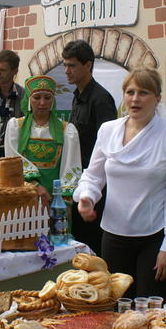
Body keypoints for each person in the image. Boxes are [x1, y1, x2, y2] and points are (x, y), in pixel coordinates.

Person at [74, 67, 166, 301]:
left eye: (144, 92)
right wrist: (87, 196)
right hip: (113, 234)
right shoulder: (108, 130)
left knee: (151, 310)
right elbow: (93, 174)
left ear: (157, 98)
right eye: (130, 92)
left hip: (154, 237)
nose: (135, 98)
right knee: (115, 307)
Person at [63, 39, 117, 255]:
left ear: (88, 65)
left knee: (93, 247)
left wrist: (93, 192)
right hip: (78, 182)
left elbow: (108, 150)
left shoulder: (101, 99)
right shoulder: (76, 96)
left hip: (96, 187)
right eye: (65, 65)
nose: (67, 70)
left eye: (72, 65)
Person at [4, 75, 81, 207]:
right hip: (24, 194)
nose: (42, 103)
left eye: (47, 98)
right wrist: (35, 186)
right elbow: (13, 160)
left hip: (55, 199)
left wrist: (61, 200)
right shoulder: (16, 126)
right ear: (29, 100)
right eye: (37, 97)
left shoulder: (66, 130)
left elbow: (71, 164)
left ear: (53, 101)